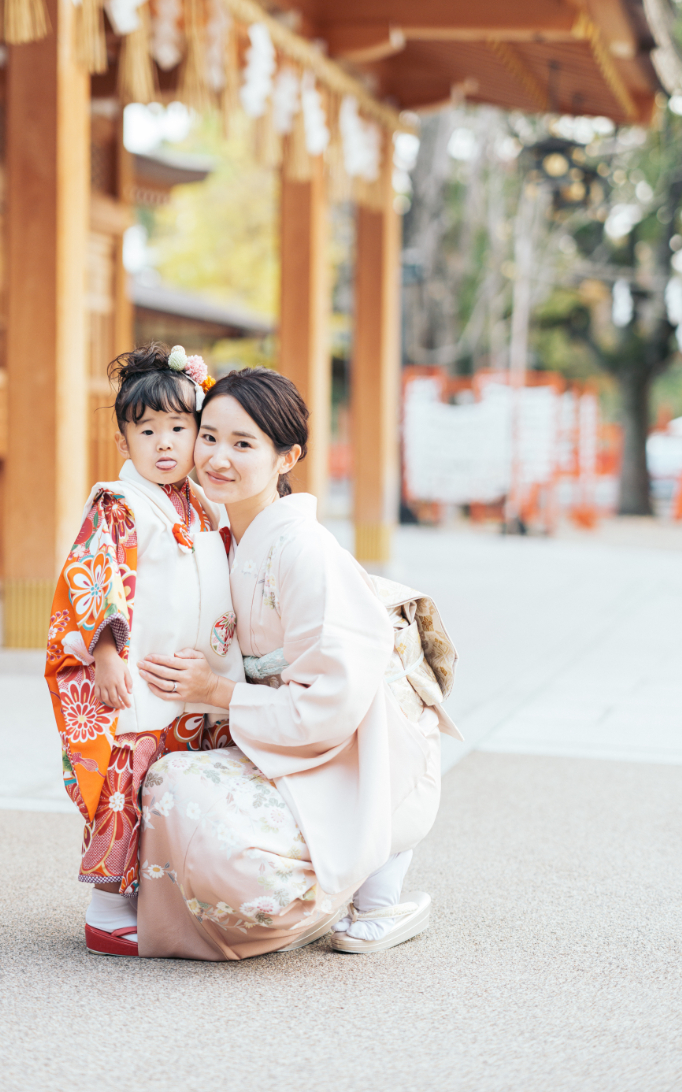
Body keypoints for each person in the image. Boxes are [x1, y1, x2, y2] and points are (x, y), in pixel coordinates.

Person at [135, 368, 461, 960]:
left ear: (287, 458)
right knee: (165, 785)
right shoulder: (222, 526)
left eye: (243, 444)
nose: (217, 458)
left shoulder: (303, 550)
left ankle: (361, 882)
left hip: (360, 745)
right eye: (208, 437)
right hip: (285, 732)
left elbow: (332, 699)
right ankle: (345, 879)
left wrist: (220, 692)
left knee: (193, 810)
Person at [45, 343, 244, 957]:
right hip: (137, 672)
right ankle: (107, 907)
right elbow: (95, 573)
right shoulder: (119, 502)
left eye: (179, 429)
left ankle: (160, 894)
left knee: (172, 784)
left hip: (192, 675)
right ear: (122, 440)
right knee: (128, 781)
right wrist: (106, 650)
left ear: (198, 434)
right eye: (147, 429)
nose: (164, 444)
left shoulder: (200, 504)